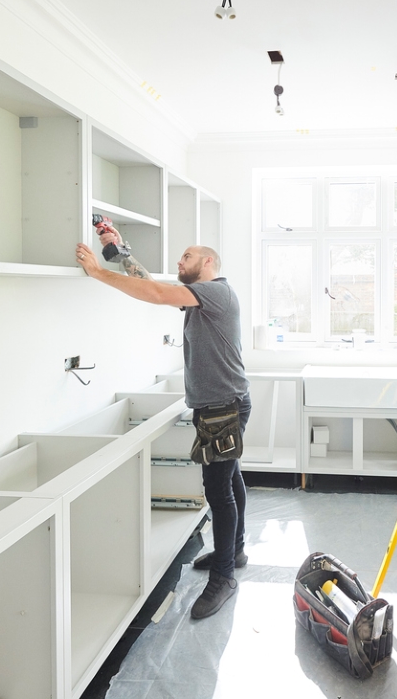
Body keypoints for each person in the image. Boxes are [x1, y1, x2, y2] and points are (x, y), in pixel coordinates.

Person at [75, 231, 250, 620]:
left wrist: (98, 273)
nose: (178, 262)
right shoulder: (198, 300)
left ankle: (223, 578)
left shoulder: (217, 293)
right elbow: (152, 284)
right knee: (231, 478)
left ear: (208, 263)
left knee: (218, 491)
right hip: (222, 404)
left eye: (186, 257)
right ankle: (234, 550)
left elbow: (154, 295)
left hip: (223, 407)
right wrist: (118, 249)